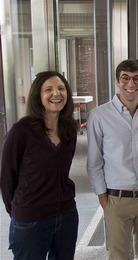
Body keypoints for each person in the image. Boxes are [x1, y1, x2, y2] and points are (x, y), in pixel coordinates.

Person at [87, 59, 138, 260]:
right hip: (117, 200)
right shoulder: (99, 116)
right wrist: (103, 198)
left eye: (137, 78)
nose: (131, 84)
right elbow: (94, 162)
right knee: (118, 256)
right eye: (125, 78)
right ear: (117, 81)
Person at [0, 71, 79, 259]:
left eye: (61, 89)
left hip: (66, 214)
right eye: (48, 89)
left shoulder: (69, 129)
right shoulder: (21, 130)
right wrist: (20, 211)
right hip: (31, 219)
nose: (56, 94)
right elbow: (7, 177)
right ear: (38, 95)